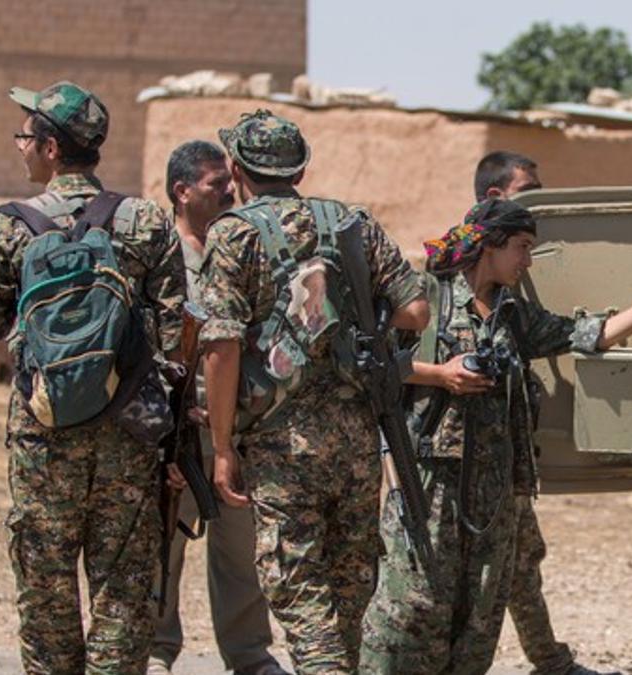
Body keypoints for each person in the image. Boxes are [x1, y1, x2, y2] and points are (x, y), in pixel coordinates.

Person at [360, 198, 632, 674]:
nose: (527, 261)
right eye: (521, 247)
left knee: (481, 608)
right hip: (431, 482)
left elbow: (592, 334)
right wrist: (441, 374)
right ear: (490, 246)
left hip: (495, 488)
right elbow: (373, 366)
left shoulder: (513, 313)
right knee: (416, 604)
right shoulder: (424, 297)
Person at [199, 109, 429, 673]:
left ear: (236, 168)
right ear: (299, 168)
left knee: (302, 597)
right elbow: (416, 311)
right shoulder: (350, 222)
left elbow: (222, 347)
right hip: (355, 439)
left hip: (282, 447)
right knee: (348, 596)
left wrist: (223, 446)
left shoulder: (232, 234)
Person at [0, 81, 184, 673]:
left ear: (51, 149)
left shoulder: (9, 227)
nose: (19, 146)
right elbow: (176, 330)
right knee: (123, 587)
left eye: (26, 136)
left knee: (45, 581)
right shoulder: (145, 220)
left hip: (43, 431)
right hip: (129, 430)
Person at [473, 150, 616, 675]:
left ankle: (548, 660)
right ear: (494, 199)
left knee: (520, 560)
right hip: (452, 468)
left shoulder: (517, 282)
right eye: (528, 189)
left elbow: (564, 331)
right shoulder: (446, 286)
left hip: (504, 460)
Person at [148, 140, 287, 675]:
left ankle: (249, 654)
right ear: (182, 192)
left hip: (237, 424)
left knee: (240, 546)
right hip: (175, 425)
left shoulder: (242, 247)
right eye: (215, 184)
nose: (230, 190)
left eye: (230, 181)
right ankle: (158, 648)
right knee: (165, 542)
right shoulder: (158, 252)